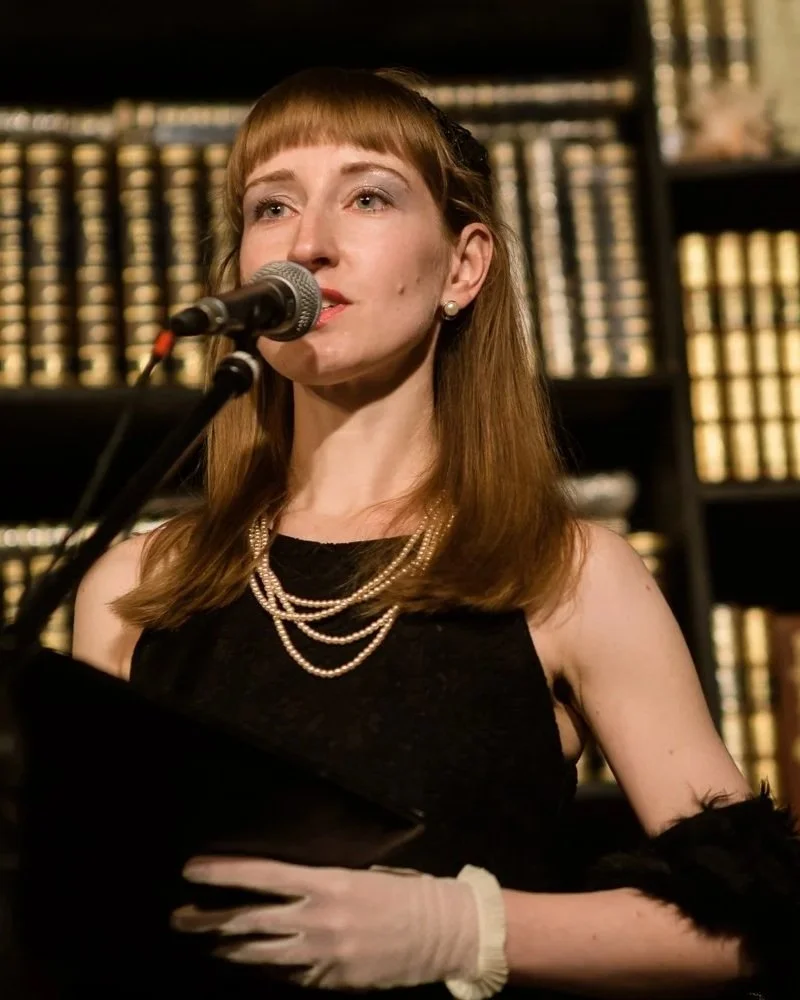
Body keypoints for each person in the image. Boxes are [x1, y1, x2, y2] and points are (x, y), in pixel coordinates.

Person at [71, 67, 798, 1000]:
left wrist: (461, 929)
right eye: (271, 207)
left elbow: (756, 919)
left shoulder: (569, 573)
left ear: (463, 267)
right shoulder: (134, 585)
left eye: (367, 197)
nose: (308, 243)